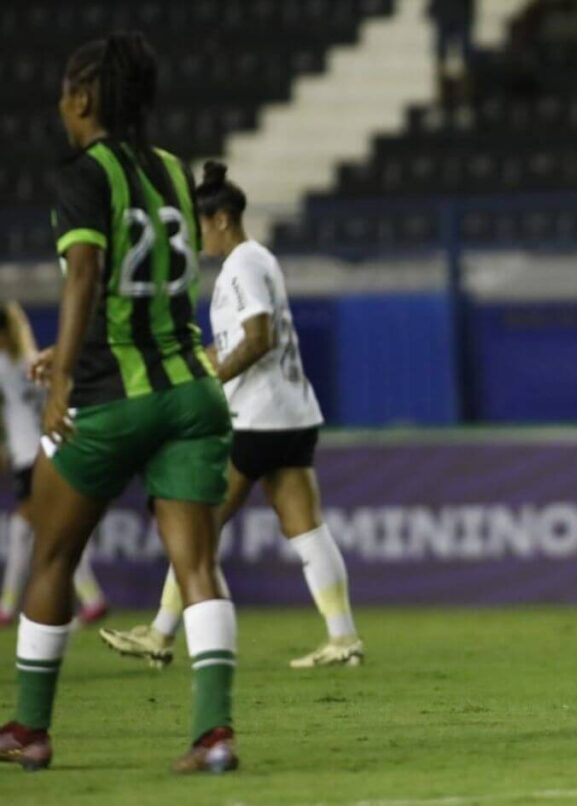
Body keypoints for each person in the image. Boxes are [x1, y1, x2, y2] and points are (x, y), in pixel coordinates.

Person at [0, 32, 238, 772]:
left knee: (52, 548)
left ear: (82, 98)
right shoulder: (172, 171)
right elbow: (155, 285)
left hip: (113, 401)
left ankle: (29, 731)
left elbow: (86, 276)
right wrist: (71, 352)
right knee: (196, 564)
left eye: (67, 91)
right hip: (191, 393)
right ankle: (214, 735)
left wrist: (64, 378)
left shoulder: (84, 173)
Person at [100, 162, 362, 670]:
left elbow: (258, 337)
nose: (197, 240)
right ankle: (343, 637)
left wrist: (212, 377)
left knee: (197, 523)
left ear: (221, 219)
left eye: (199, 227)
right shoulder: (261, 259)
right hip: (294, 414)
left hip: (256, 418)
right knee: (306, 529)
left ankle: (159, 633)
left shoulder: (242, 264)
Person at [0, 302, 108, 627]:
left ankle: (8, 607)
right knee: (47, 530)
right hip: (53, 451)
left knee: (35, 532)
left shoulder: (4, 365)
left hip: (26, 457)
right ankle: (91, 598)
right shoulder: (38, 362)